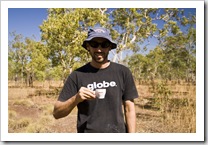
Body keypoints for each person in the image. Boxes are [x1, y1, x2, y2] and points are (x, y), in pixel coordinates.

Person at [53, 27, 139, 133]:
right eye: (94, 44)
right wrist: (76, 98)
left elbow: (129, 109)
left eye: (104, 45)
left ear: (110, 47)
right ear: (88, 47)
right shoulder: (77, 75)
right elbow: (56, 113)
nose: (99, 49)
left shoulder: (123, 72)